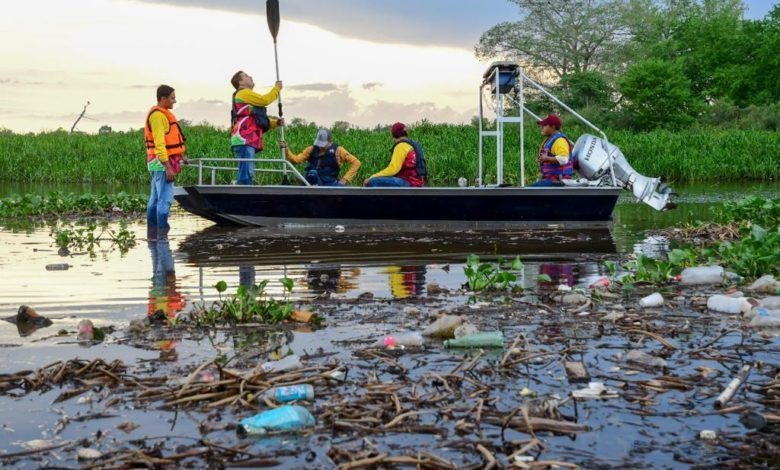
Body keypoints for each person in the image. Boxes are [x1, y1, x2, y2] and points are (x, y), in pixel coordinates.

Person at [144, 84, 188, 234]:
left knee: (155, 200)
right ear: (163, 99)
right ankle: (162, 235)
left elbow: (171, 141)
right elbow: (160, 144)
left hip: (158, 163)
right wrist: (167, 166)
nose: (174, 101)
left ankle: (153, 234)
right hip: (162, 164)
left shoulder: (162, 114)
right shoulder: (158, 116)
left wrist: (181, 155)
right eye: (172, 98)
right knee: (165, 200)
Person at [230, 70, 284, 185]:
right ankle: (243, 194)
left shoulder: (248, 97)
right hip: (244, 139)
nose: (250, 76)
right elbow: (265, 100)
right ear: (240, 82)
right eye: (246, 76)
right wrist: (277, 89)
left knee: (247, 172)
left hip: (247, 139)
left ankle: (243, 191)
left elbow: (257, 120)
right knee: (246, 174)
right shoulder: (244, 93)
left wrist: (276, 123)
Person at [281, 128, 361, 186]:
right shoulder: (311, 149)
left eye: (323, 144)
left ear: (330, 141)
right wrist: (286, 150)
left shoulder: (339, 150)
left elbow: (356, 163)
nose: (320, 147)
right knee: (312, 173)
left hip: (329, 183)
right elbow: (296, 160)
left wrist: (345, 179)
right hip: (311, 182)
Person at [363, 122, 426, 187]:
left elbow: (393, 169)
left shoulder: (401, 146)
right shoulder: (413, 145)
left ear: (393, 134)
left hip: (409, 183)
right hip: (418, 182)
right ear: (406, 133)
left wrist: (372, 177)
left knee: (373, 181)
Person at [532, 114, 574, 187]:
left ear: (553, 127)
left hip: (558, 181)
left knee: (528, 191)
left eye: (544, 125)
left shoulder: (560, 140)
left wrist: (546, 158)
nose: (541, 127)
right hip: (550, 180)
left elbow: (564, 159)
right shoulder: (550, 140)